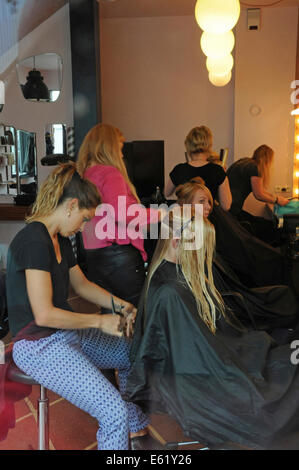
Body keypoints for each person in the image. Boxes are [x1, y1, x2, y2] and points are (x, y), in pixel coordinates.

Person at [5, 162, 161, 451]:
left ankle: (135, 430)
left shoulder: (60, 240)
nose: (85, 226)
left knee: (129, 351)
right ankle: (120, 424)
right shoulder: (33, 240)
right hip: (37, 346)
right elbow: (45, 314)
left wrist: (121, 305)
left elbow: (83, 286)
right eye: (85, 218)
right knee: (112, 412)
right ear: (71, 205)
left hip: (62, 335)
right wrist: (100, 322)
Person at [126, 207, 299, 450]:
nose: (205, 256)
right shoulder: (170, 293)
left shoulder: (169, 278)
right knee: (288, 374)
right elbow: (203, 361)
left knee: (283, 352)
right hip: (212, 380)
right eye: (201, 249)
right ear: (177, 242)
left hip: (218, 363)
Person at [175, 178, 298, 328]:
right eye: (202, 202)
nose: (208, 207)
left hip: (229, 294)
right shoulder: (189, 237)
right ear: (186, 204)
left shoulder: (202, 230)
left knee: (282, 294)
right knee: (283, 297)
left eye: (209, 202)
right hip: (228, 301)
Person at [77, 124, 161, 309]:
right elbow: (122, 213)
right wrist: (159, 214)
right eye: (120, 150)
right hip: (118, 256)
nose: (122, 156)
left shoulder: (86, 174)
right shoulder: (109, 173)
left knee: (113, 316)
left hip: (95, 256)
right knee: (137, 314)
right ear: (109, 148)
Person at [227, 145, 289, 244]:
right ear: (267, 159)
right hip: (232, 210)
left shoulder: (245, 162)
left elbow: (261, 191)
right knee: (268, 227)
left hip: (228, 208)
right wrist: (277, 200)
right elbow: (259, 194)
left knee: (263, 223)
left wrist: (276, 198)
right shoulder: (255, 168)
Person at [164, 125, 232, 211]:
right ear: (209, 146)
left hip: (185, 219)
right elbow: (226, 206)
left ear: (188, 145)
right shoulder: (218, 170)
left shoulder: (179, 169)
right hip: (208, 219)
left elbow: (166, 193)